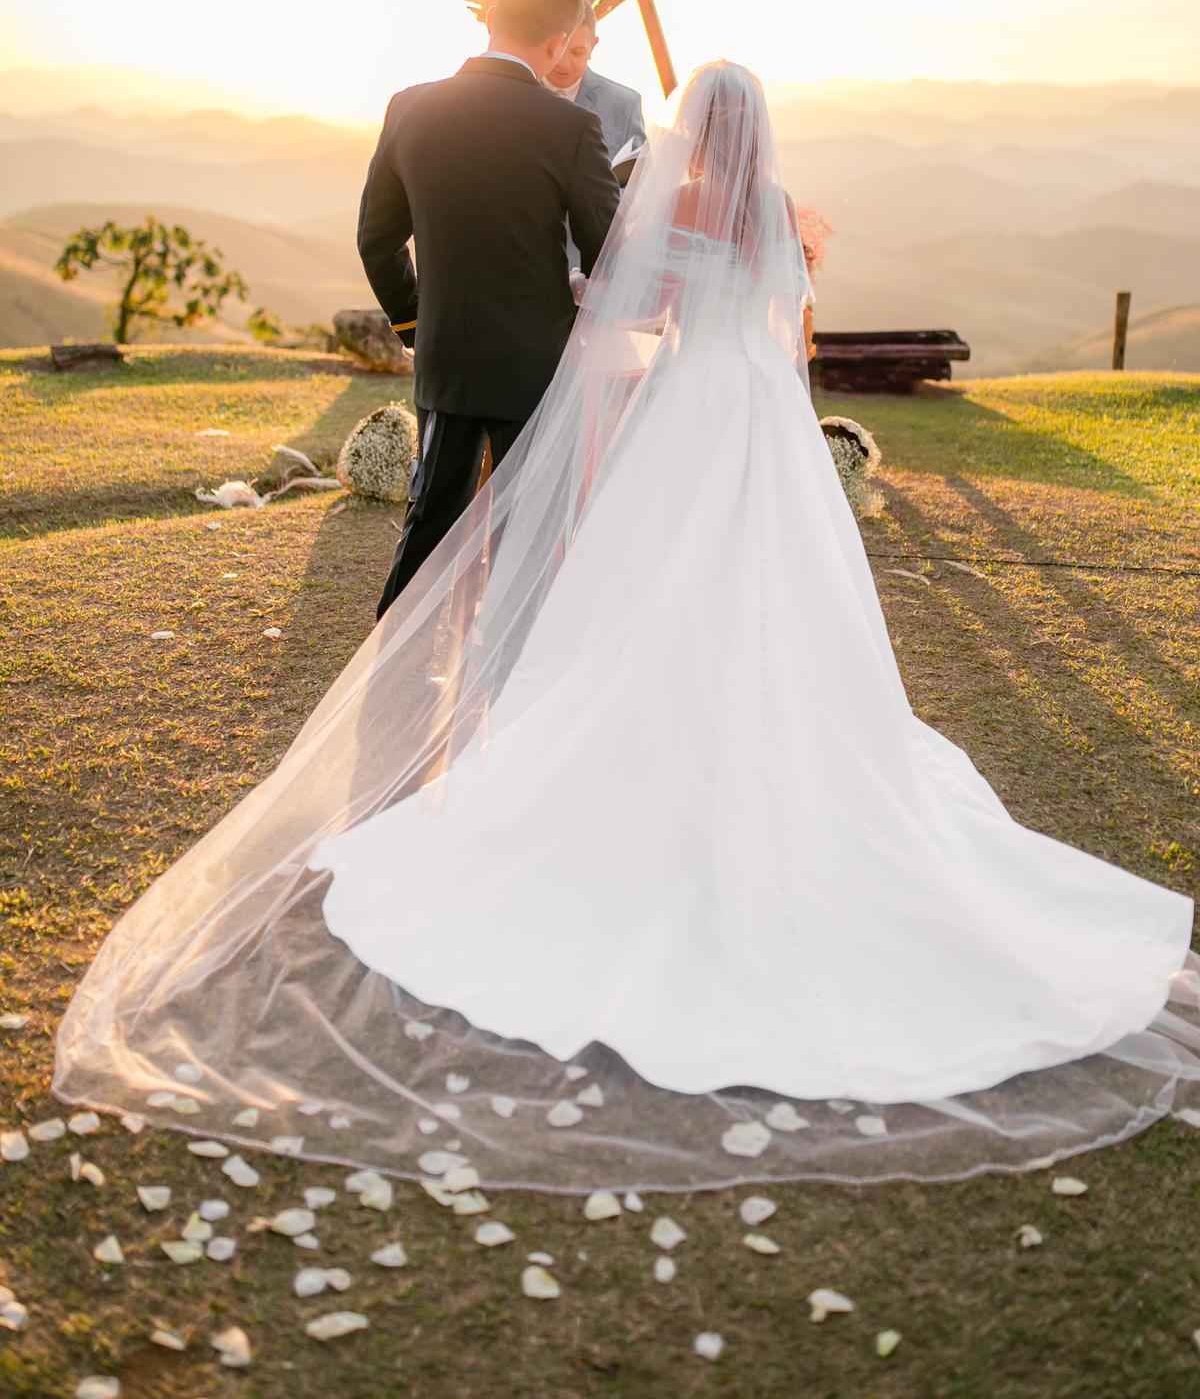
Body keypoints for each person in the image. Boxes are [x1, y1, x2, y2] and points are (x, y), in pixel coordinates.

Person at [53, 63, 1198, 1197]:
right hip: (769, 433)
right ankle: (776, 740)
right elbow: (794, 335)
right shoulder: (776, 218)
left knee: (648, 592)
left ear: (695, 128)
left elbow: (621, 313)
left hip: (682, 420)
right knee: (776, 596)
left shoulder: (680, 202)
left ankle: (655, 741)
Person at [357, 0, 621, 616]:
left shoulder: (409, 106)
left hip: (445, 354)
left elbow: (376, 240)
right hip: (536, 367)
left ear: (494, 22)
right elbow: (610, 252)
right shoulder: (569, 128)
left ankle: (391, 681)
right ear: (560, 41)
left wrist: (420, 327)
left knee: (431, 520)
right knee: (528, 531)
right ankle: (506, 683)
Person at [543, 0, 646, 161]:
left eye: (577, 52)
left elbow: (638, 180)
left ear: (593, 46)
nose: (563, 63)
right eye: (558, 49)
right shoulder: (515, 95)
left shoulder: (625, 105)